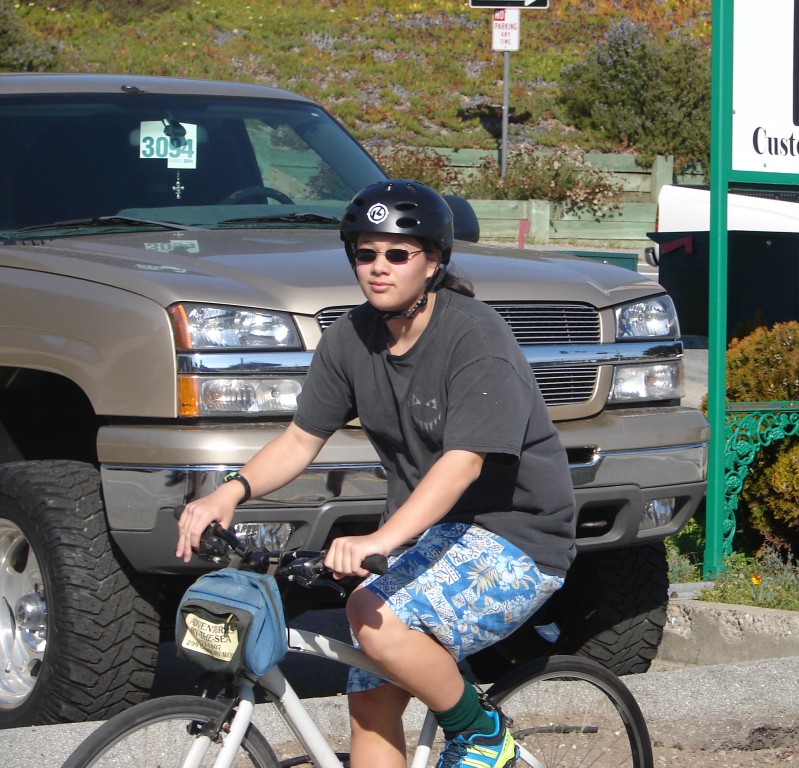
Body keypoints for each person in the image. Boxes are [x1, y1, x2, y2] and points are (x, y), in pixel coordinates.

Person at [176, 179, 577, 768]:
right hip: (427, 537)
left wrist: (379, 540)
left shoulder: (475, 336)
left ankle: (483, 734)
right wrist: (229, 493)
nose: (379, 267)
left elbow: (463, 463)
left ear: (434, 262)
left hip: (515, 537)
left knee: (370, 615)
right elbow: (300, 439)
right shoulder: (350, 337)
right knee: (369, 706)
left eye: (398, 253)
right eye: (366, 254)